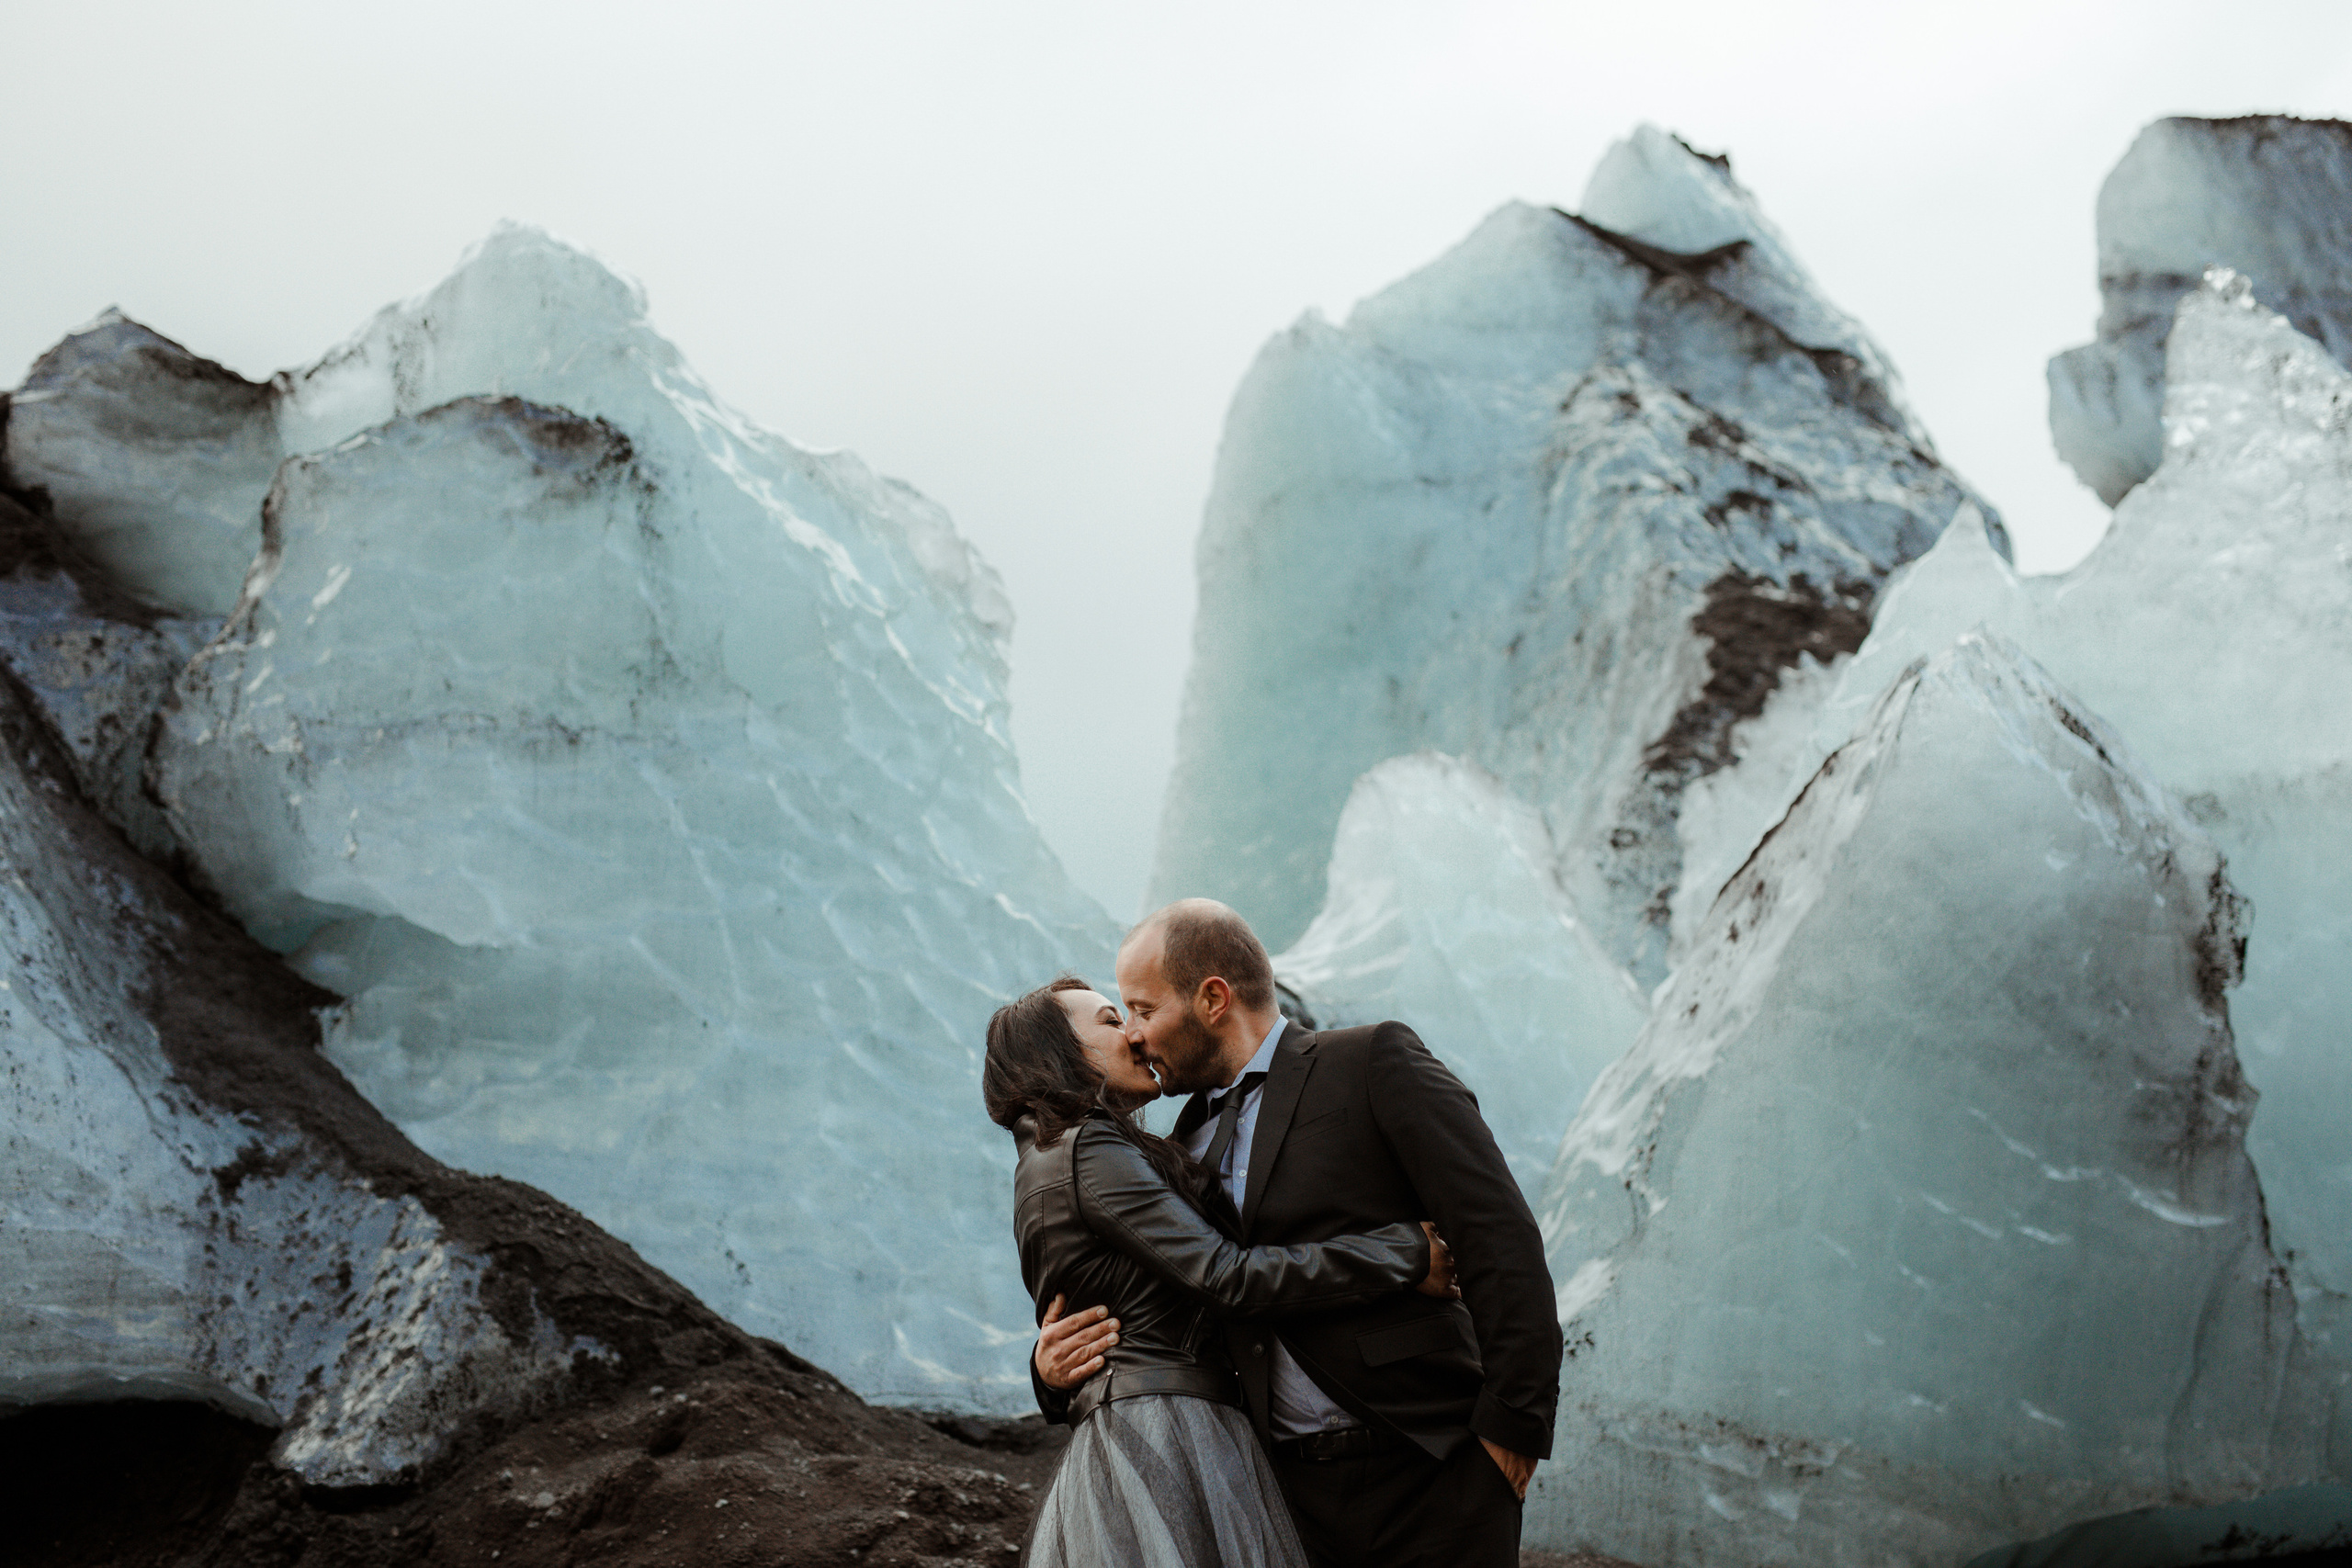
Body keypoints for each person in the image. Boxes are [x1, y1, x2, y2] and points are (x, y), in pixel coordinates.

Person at [1035, 899, 1561, 1568]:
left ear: (1213, 998)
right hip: (1285, 1500)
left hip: (1432, 1465)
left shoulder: (1372, 1061)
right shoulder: (1176, 1144)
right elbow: (1173, 1304)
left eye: (1143, 1008)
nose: (1134, 1035)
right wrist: (1049, 1372)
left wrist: (1512, 1430)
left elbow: (1499, 1237)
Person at [985, 975, 1460, 1568]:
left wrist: (1050, 1377)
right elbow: (1226, 1276)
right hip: (1172, 1433)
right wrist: (1400, 1255)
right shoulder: (1088, 1151)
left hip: (1139, 1429)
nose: (1134, 1032)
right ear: (1061, 1053)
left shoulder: (1047, 1159)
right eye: (1111, 1020)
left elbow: (1099, 1308)